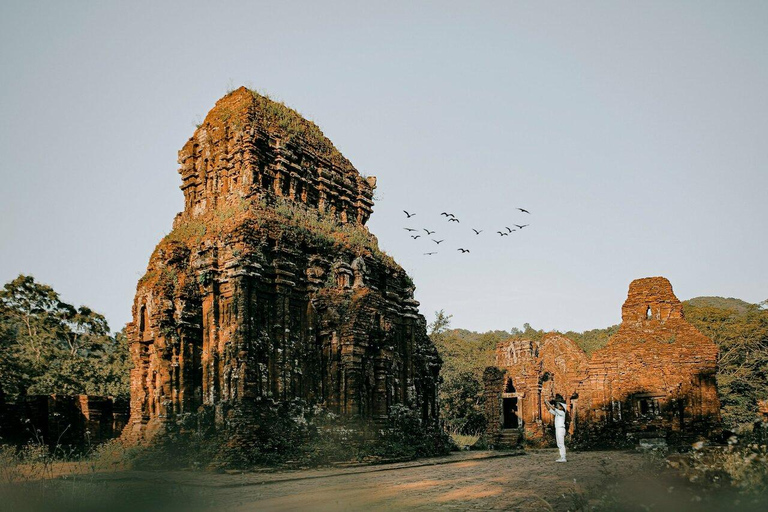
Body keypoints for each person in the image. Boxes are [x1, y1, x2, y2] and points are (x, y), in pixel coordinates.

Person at [545, 397, 567, 462]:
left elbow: (553, 408)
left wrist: (548, 402)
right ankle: (562, 457)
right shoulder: (557, 413)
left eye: (559, 406)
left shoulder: (562, 413)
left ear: (562, 407)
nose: (558, 406)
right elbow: (549, 410)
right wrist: (545, 403)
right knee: (559, 443)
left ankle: (564, 457)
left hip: (561, 429)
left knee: (561, 443)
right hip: (558, 429)